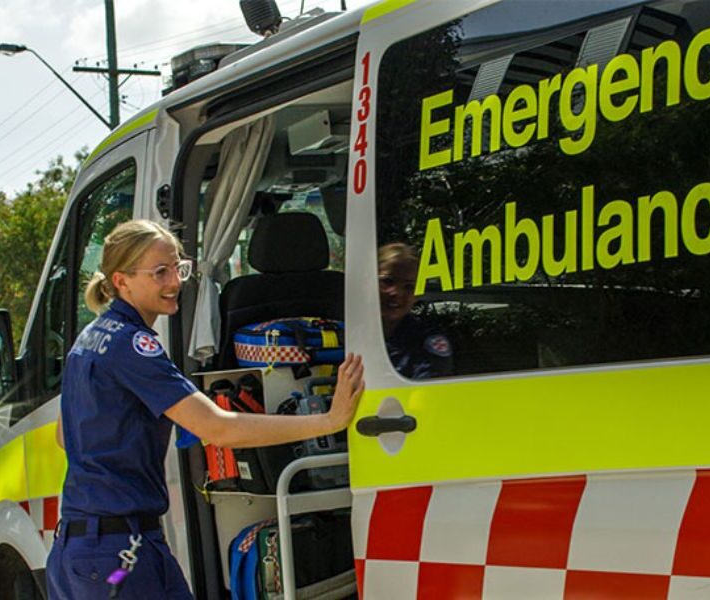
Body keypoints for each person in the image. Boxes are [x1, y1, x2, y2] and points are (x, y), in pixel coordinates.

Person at [47, 219, 364, 600]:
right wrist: (330, 420)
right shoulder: (133, 346)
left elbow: (65, 437)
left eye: (178, 269)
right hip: (119, 562)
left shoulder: (91, 337)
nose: (174, 283)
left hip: (89, 552)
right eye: (159, 272)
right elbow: (218, 429)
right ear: (121, 281)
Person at [378, 243, 453, 379]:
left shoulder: (425, 340)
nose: (397, 292)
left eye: (408, 286)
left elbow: (427, 390)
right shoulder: (348, 333)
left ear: (417, 294)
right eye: (388, 281)